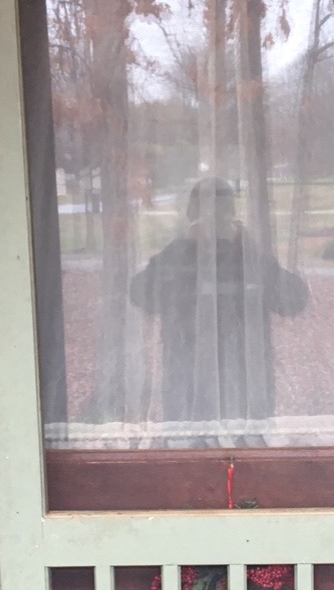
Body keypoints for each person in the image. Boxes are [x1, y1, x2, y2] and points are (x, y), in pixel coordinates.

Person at [130, 176, 309, 427]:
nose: (214, 226)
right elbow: (140, 293)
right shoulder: (179, 257)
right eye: (207, 217)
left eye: (221, 215)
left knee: (243, 451)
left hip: (243, 380)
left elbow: (294, 299)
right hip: (190, 380)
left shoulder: (247, 258)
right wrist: (182, 246)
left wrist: (251, 251)